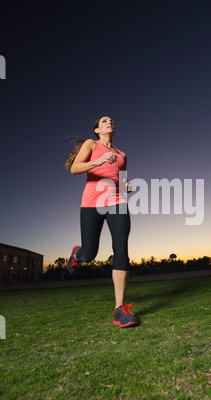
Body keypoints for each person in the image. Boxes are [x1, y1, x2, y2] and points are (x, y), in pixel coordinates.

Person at [64, 116, 139, 328]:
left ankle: (120, 310)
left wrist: (127, 187)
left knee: (121, 248)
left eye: (112, 121)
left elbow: (121, 182)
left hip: (118, 202)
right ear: (97, 129)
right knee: (90, 254)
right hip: (92, 203)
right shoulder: (91, 144)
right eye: (104, 121)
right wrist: (96, 161)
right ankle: (77, 255)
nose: (109, 122)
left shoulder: (122, 155)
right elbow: (75, 169)